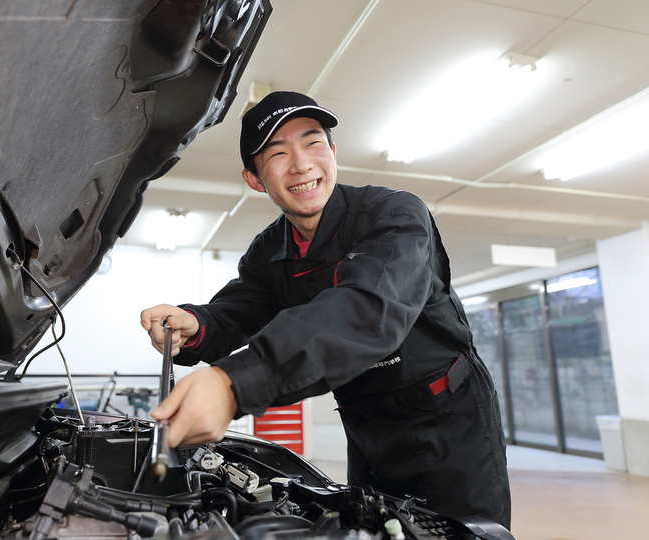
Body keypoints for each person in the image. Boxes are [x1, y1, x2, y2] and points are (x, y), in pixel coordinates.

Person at [141, 91, 511, 529]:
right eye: (277, 153)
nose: (301, 164)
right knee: (373, 529)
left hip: (448, 419)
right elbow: (237, 311)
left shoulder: (394, 215)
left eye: (313, 143)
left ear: (333, 153)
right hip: (365, 424)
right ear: (255, 179)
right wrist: (195, 324)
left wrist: (234, 384)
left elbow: (366, 311)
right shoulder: (269, 250)